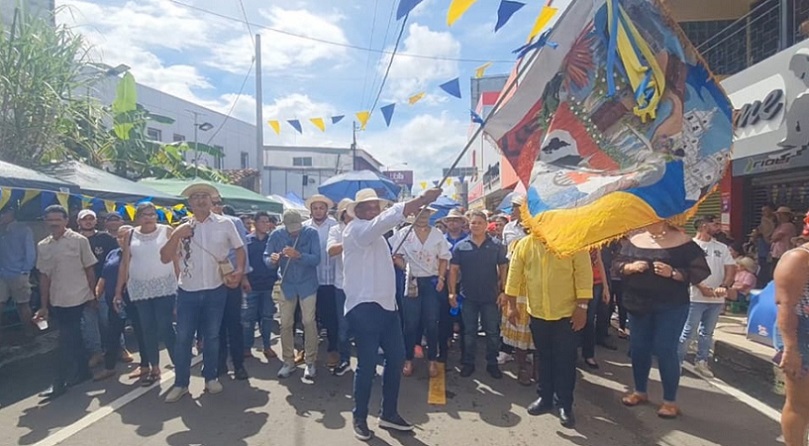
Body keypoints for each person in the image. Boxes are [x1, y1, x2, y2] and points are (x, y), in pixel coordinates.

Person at [342, 187, 441, 440]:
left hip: (387, 307)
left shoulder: (379, 238)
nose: (373, 210)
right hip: (364, 307)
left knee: (396, 359)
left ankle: (388, 413)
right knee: (366, 366)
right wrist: (420, 200)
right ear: (357, 211)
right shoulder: (355, 230)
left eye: (376, 207)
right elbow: (384, 221)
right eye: (367, 207)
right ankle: (359, 417)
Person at [614, 221, 710, 419]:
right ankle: (639, 391)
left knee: (665, 349)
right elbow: (616, 265)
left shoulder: (683, 241)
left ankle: (669, 401)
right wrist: (629, 267)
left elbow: (699, 270)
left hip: (671, 305)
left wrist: (673, 273)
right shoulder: (635, 240)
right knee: (639, 348)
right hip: (637, 303)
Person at [160, 183, 246, 403]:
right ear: (190, 202)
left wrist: (239, 270)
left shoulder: (225, 223)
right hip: (187, 292)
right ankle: (181, 384)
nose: (200, 200)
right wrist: (176, 235)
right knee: (183, 339)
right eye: (195, 197)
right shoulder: (181, 227)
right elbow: (165, 257)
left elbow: (239, 248)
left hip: (216, 290)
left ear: (211, 200)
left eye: (204, 196)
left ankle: (211, 378)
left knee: (212, 336)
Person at [505, 229, 592, 428]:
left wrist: (582, 307)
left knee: (565, 360)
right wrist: (511, 305)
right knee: (543, 356)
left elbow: (584, 274)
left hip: (567, 314)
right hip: (538, 312)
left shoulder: (573, 242)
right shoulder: (525, 244)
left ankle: (564, 404)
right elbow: (514, 274)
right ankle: (545, 398)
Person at [34, 205, 98, 400]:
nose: (53, 223)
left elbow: (89, 269)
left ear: (66, 221)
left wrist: (93, 296)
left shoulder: (79, 241)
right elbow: (44, 277)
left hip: (78, 296)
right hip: (57, 299)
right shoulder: (43, 245)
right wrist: (43, 306)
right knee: (74, 337)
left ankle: (59, 381)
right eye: (50, 220)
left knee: (65, 339)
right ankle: (83, 371)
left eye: (57, 219)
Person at [115, 202, 179, 386]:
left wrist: (181, 284)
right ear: (137, 217)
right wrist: (118, 291)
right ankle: (154, 368)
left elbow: (176, 259)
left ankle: (179, 365)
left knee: (165, 327)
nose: (149, 218)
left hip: (165, 286)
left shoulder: (167, 231)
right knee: (147, 329)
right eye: (145, 214)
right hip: (140, 288)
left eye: (152, 214)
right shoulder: (130, 234)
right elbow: (125, 263)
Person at [392, 206, 451, 378]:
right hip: (412, 282)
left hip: (431, 282)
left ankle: (432, 359)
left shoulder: (437, 234)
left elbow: (444, 258)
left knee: (432, 322)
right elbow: (395, 256)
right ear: (413, 215)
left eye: (426, 213)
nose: (423, 216)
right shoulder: (404, 233)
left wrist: (441, 278)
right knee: (410, 323)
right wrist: (407, 270)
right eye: (419, 213)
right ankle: (408, 358)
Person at [449, 210, 508, 379]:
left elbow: (503, 268)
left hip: (491, 297)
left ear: (486, 225)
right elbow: (453, 270)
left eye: (479, 223)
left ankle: (492, 363)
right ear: (469, 225)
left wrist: (504, 291)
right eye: (473, 223)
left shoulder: (496, 245)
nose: (476, 225)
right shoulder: (461, 246)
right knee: (469, 333)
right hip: (468, 297)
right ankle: (468, 363)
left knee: (492, 332)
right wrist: (452, 293)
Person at [678, 215, 736, 378]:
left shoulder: (721, 247)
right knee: (688, 332)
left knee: (707, 333)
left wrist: (724, 286)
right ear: (703, 226)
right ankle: (677, 362)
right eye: (715, 224)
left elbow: (731, 268)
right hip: (695, 297)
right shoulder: (690, 246)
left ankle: (702, 361)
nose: (718, 227)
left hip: (717, 298)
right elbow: (687, 270)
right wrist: (702, 287)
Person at [266, 210, 320, 380]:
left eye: (297, 228)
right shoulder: (276, 235)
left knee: (308, 321)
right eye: (291, 229)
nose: (294, 231)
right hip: (287, 284)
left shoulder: (311, 233)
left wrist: (299, 256)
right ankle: (288, 361)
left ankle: (310, 361)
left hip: (307, 284)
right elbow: (266, 258)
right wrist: (272, 260)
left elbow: (316, 259)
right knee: (285, 323)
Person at [773, 211, 809, 446]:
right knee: (800, 403)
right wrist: (791, 348)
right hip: (801, 332)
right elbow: (785, 305)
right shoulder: (798, 259)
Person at [77, 209, 121, 368]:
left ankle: (119, 348)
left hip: (104, 284)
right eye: (84, 219)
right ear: (79, 222)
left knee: (109, 319)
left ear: (96, 221)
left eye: (91, 218)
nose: (88, 221)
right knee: (89, 323)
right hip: (82, 287)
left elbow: (116, 259)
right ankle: (96, 352)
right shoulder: (75, 240)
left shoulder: (106, 238)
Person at [92, 225, 137, 381]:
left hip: (134, 299)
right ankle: (109, 367)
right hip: (115, 301)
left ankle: (147, 365)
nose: (122, 240)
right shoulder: (112, 254)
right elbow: (103, 276)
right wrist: (97, 293)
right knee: (113, 334)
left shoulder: (138, 254)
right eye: (119, 236)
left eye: (126, 236)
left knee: (141, 332)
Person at [212, 202, 251, 381]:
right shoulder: (196, 224)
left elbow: (242, 250)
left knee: (234, 324)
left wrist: (243, 276)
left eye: (218, 203)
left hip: (231, 279)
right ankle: (219, 364)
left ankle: (238, 365)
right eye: (212, 203)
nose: (215, 206)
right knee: (215, 326)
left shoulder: (233, 222)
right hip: (208, 281)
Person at [500, 194, 534, 385]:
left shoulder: (541, 230)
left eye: (517, 206)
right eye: (513, 206)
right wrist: (504, 288)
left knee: (536, 332)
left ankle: (538, 370)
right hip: (517, 288)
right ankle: (522, 368)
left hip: (538, 287)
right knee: (519, 329)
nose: (513, 210)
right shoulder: (509, 230)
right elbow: (506, 262)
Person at [303, 194, 340, 368]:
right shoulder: (304, 227)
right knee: (307, 318)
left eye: (321, 208)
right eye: (315, 208)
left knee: (331, 317)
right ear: (311, 210)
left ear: (327, 209)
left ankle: (333, 349)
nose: (318, 211)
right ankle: (307, 350)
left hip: (331, 279)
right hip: (309, 280)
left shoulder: (335, 226)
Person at [242, 211, 279, 361]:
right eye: (262, 221)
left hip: (268, 284)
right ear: (255, 223)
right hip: (251, 285)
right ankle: (247, 347)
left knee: (267, 317)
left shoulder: (273, 241)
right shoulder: (247, 241)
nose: (265, 224)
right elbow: (242, 262)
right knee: (248, 318)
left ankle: (267, 346)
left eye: (267, 221)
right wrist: (244, 279)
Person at [0, 205, 36, 342]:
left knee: (23, 304)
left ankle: (29, 333)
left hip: (18, 274)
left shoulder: (23, 229)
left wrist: (25, 271)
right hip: (2, 274)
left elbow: (30, 252)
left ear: (11, 213)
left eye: (3, 213)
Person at [327, 199, 353, 376]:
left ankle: (368, 364)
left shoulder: (365, 227)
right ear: (342, 213)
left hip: (362, 286)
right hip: (341, 285)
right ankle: (345, 360)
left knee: (363, 327)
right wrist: (349, 241)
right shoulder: (336, 230)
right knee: (343, 328)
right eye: (348, 211)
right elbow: (331, 251)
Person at [581, 248, 612, 369]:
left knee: (589, 320)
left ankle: (588, 354)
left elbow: (599, 262)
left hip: (595, 283)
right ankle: (573, 352)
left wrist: (605, 287)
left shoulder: (594, 243)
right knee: (576, 318)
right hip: (579, 282)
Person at [771, 207, 798, 273]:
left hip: (783, 252)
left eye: (781, 215)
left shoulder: (788, 226)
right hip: (776, 252)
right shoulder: (780, 226)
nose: (779, 217)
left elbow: (775, 237)